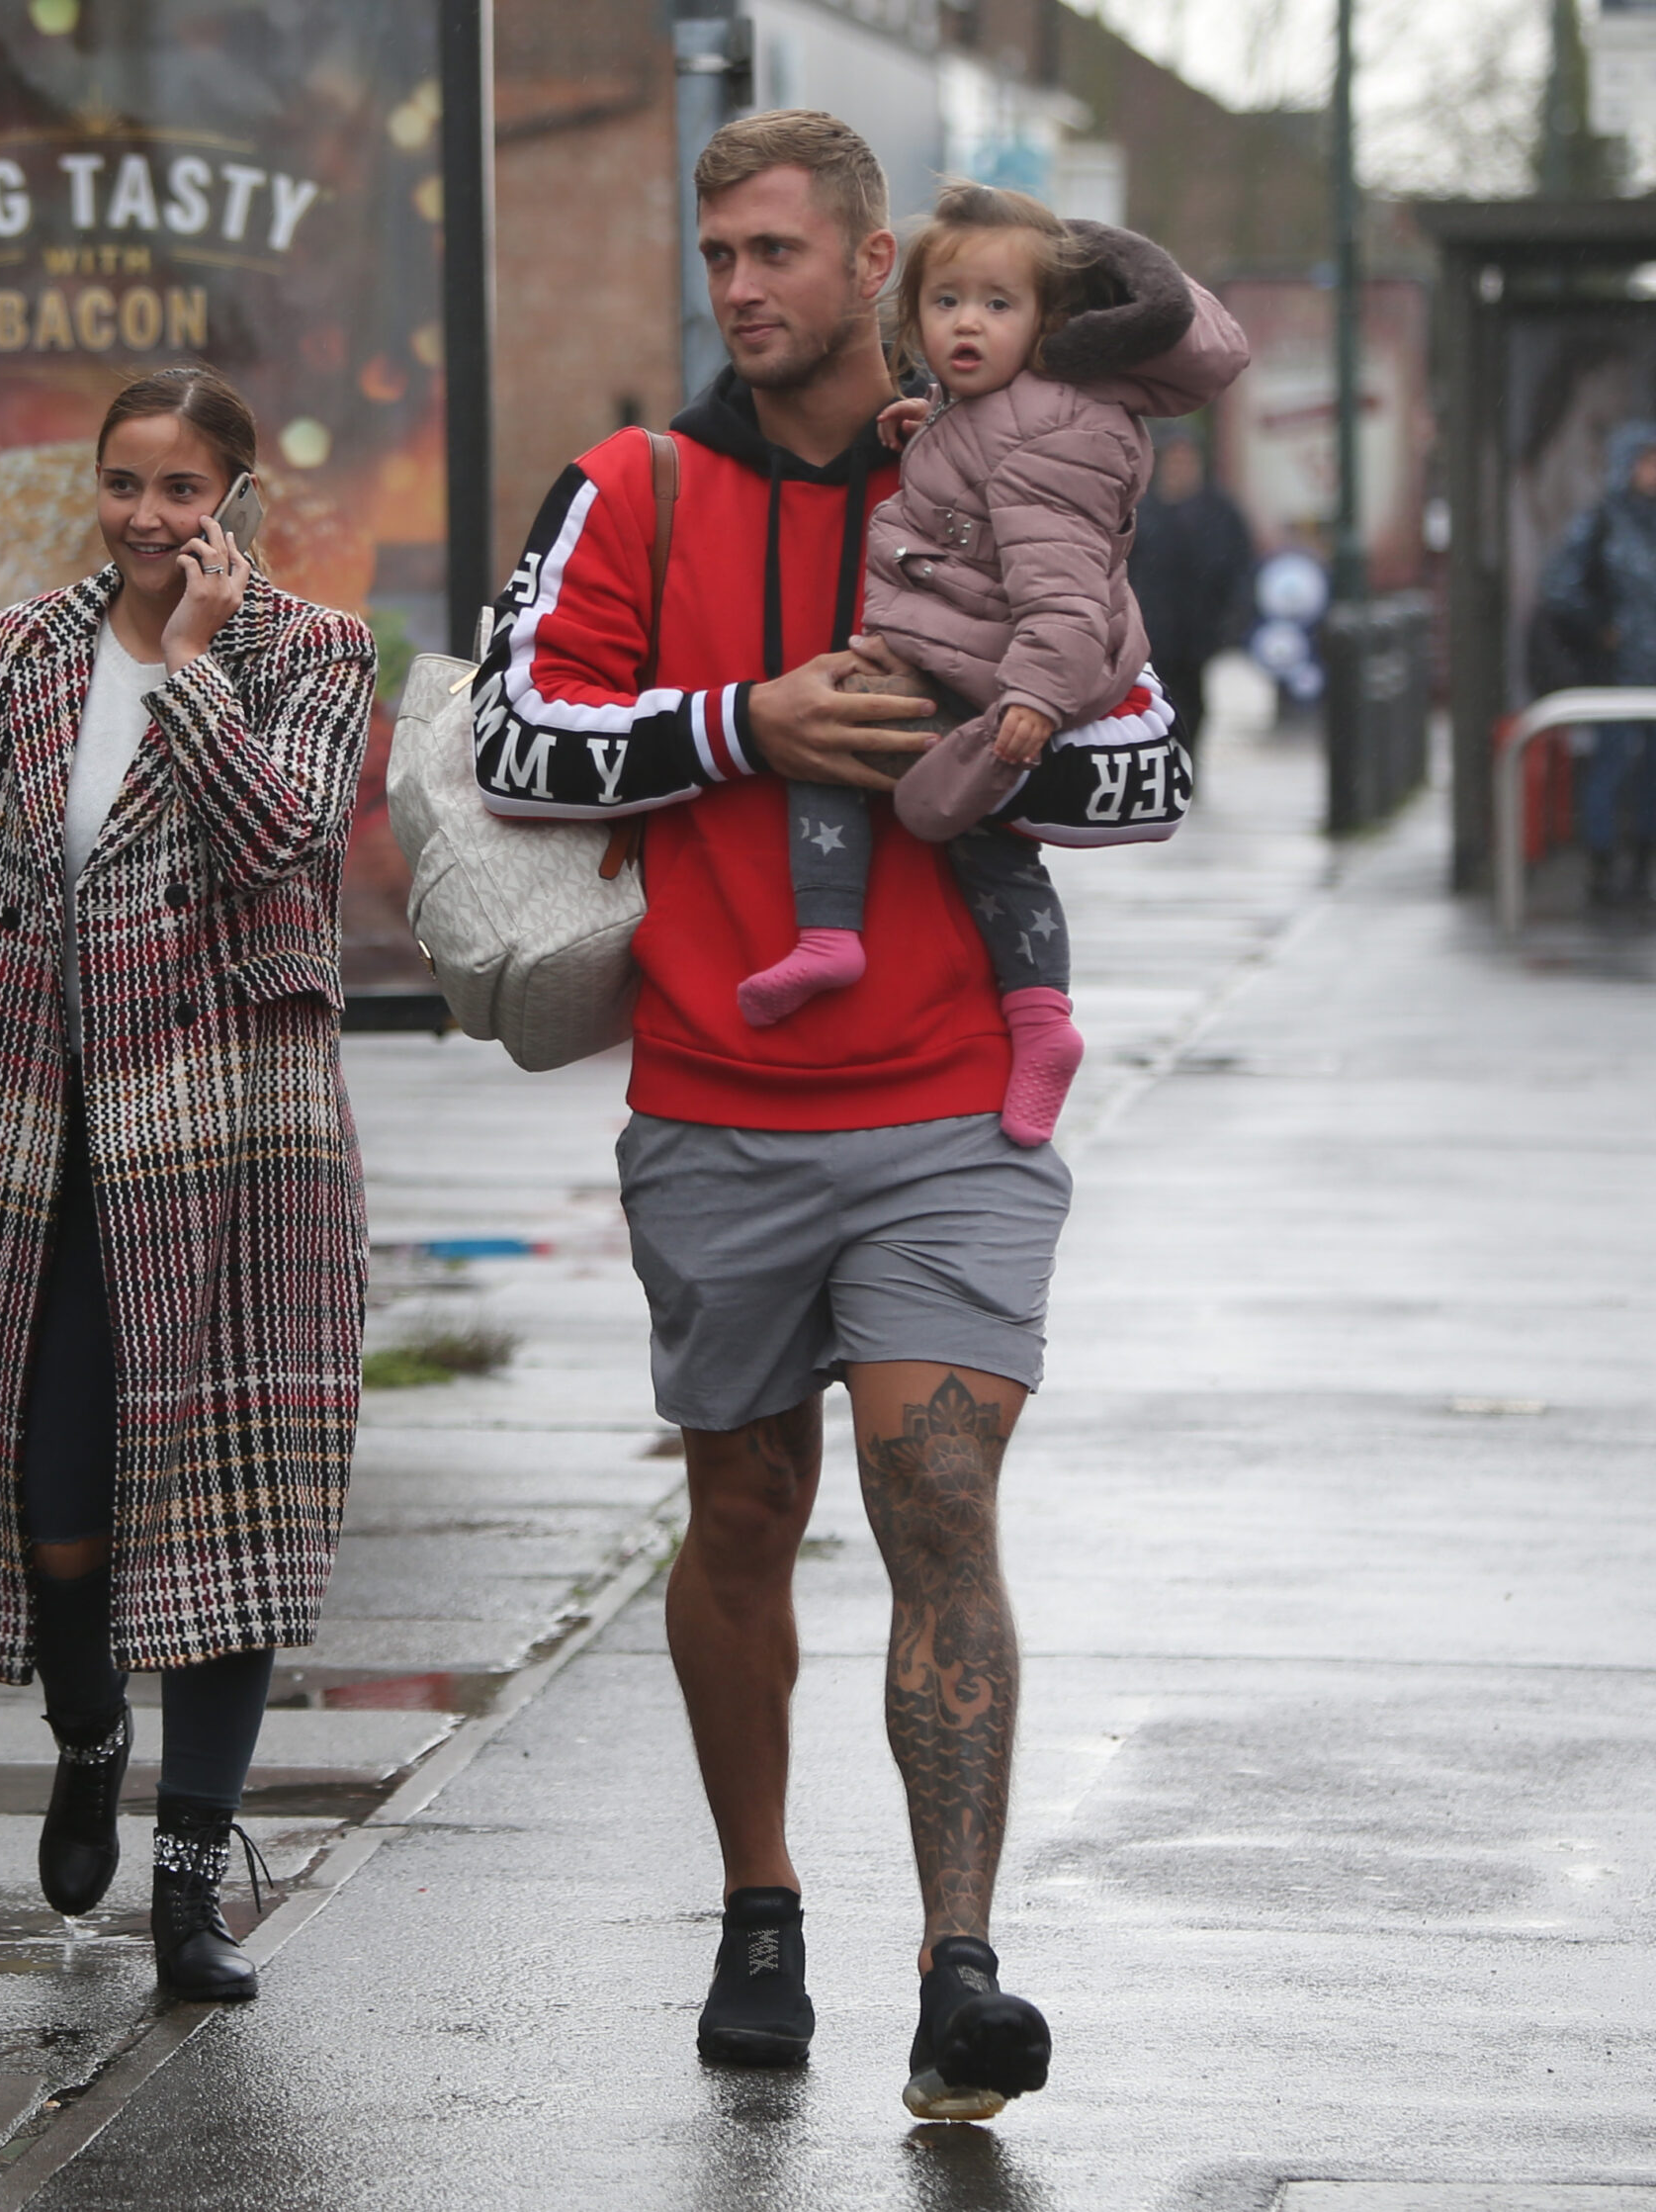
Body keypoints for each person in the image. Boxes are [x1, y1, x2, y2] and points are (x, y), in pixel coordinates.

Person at [471, 110, 1232, 2120]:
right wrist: (749, 724)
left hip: (949, 1110)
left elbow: (1150, 766)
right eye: (715, 253)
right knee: (738, 1506)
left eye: (777, 251)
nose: (739, 288)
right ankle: (756, 1900)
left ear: (873, 256)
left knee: (938, 1500)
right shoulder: (630, 486)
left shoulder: (1008, 451)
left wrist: (978, 747)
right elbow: (510, 739)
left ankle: (957, 1965)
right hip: (713, 1102)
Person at [0, 366, 374, 2003]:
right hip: (48, 1131)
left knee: (228, 1505)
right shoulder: (24, 649)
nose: (153, 518)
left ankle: (190, 1882)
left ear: (240, 496)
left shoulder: (312, 651)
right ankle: (89, 1726)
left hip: (238, 1138)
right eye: (126, 485)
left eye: (184, 489)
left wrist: (183, 673)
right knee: (58, 1511)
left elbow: (286, 842)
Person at [737, 182, 1246, 1148]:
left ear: (1049, 324)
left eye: (997, 305)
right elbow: (980, 497)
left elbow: (1060, 588)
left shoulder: (1045, 432)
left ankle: (845, 941)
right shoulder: (987, 412)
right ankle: (1025, 1016)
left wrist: (1032, 703)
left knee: (840, 740)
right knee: (976, 836)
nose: (966, 323)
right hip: (976, 649)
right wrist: (924, 434)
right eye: (946, 302)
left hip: (1010, 667)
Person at [1538, 421, 1656, 907]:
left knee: (1651, 773)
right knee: (1610, 766)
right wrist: (1601, 629)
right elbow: (1560, 587)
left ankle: (1642, 868)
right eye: (1647, 462)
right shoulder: (1603, 521)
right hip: (1617, 673)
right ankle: (1603, 865)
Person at [1127, 428, 1256, 768]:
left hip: (1199, 627)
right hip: (1154, 627)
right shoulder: (1144, 509)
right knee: (1159, 700)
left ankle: (1186, 760)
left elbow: (1239, 566)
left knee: (1193, 700)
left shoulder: (1219, 511)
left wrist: (1233, 618)